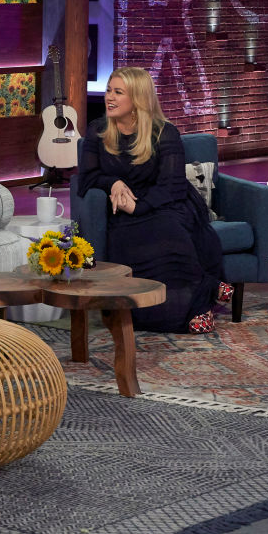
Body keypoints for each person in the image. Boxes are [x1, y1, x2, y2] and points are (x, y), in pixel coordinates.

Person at [76, 66, 230, 333]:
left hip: (165, 203)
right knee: (128, 240)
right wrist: (113, 182)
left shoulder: (164, 132)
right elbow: (87, 177)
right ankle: (197, 291)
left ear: (137, 98)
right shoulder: (97, 130)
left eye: (118, 92)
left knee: (168, 231)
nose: (109, 97)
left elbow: (171, 185)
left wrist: (139, 207)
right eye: (109, 90)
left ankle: (197, 305)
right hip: (123, 208)